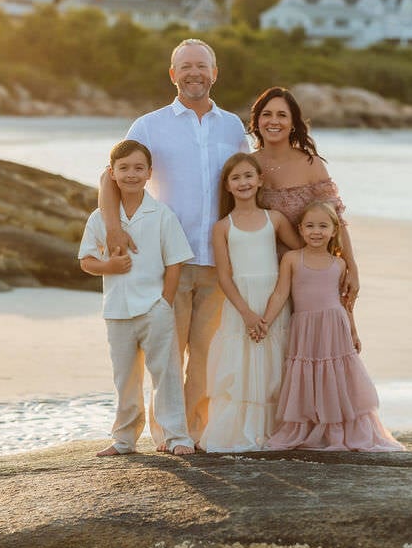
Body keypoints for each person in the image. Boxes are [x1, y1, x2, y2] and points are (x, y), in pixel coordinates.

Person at [99, 39, 248, 443]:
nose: (193, 73)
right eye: (185, 66)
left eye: (201, 65)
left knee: (205, 355)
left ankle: (194, 431)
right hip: (167, 261)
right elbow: (109, 176)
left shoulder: (233, 126)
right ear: (172, 74)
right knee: (166, 352)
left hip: (219, 260)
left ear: (214, 73)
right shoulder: (148, 125)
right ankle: (167, 432)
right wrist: (113, 227)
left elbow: (247, 183)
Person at [80, 140, 196, 457]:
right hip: (117, 310)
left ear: (149, 173)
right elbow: (86, 260)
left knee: (166, 374)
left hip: (154, 308)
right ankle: (124, 439)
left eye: (138, 168)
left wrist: (165, 302)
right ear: (112, 173)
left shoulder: (161, 214)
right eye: (124, 168)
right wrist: (108, 266)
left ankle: (177, 436)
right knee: (125, 378)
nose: (131, 174)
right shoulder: (99, 219)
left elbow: (175, 262)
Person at [262, 201, 406, 452]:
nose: (316, 231)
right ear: (300, 229)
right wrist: (264, 322)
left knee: (337, 377)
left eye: (323, 226)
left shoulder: (339, 264)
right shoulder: (292, 259)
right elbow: (280, 294)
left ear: (334, 230)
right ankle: (310, 428)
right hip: (306, 328)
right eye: (310, 226)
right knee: (309, 376)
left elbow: (345, 303)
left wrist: (354, 331)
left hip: (335, 327)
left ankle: (337, 430)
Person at [199, 153, 302, 453]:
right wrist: (246, 314)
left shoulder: (275, 219)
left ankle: (274, 431)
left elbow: (299, 252)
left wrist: (268, 315)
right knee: (240, 364)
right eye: (236, 178)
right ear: (227, 186)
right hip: (240, 303)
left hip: (273, 298)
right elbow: (224, 276)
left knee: (273, 363)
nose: (243, 182)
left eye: (248, 176)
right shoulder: (223, 226)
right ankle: (240, 433)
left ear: (259, 181)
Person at [249, 86, 359, 307]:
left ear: (292, 124)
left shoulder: (310, 164)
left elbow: (336, 220)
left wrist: (352, 268)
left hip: (309, 274)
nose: (274, 121)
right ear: (257, 121)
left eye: (282, 115)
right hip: (261, 274)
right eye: (267, 114)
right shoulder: (248, 165)